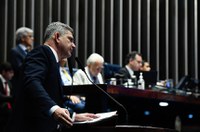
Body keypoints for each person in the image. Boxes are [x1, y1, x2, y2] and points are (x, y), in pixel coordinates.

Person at [6, 22, 99, 132]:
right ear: (57, 37)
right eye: (70, 39)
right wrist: (54, 109)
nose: (74, 45)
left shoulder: (53, 60)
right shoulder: (41, 52)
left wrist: (73, 116)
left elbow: (52, 95)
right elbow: (32, 81)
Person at [9, 27, 34, 96]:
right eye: (30, 36)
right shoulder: (15, 51)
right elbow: (19, 69)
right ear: (23, 38)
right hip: (19, 87)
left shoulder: (29, 51)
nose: (32, 38)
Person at [0, 62, 14, 131]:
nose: (12, 75)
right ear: (3, 72)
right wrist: (12, 98)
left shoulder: (9, 83)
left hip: (8, 112)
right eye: (10, 72)